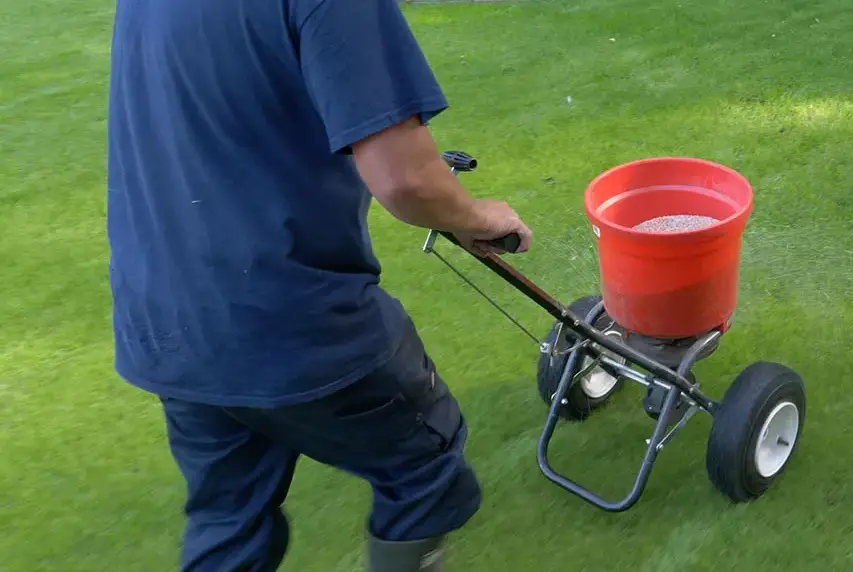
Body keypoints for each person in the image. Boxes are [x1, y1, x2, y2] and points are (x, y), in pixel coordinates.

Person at [106, 0, 533, 569]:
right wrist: (478, 216)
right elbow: (404, 179)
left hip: (164, 315)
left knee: (228, 517)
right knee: (425, 467)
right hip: (283, 315)